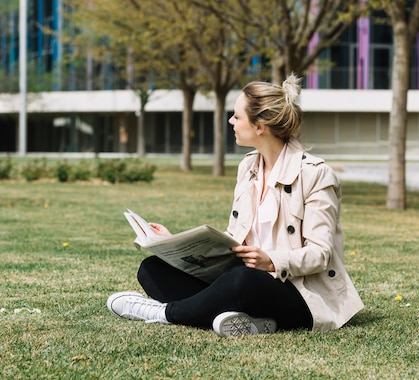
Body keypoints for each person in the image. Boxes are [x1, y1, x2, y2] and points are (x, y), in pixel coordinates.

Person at [107, 74, 364, 336]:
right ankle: (247, 321)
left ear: (260, 126)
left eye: (237, 117)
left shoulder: (315, 174)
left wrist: (272, 261)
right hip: (245, 281)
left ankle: (164, 313)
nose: (231, 121)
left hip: (299, 293)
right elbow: (236, 239)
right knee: (152, 269)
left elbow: (320, 254)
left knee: (241, 280)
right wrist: (176, 244)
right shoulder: (248, 167)